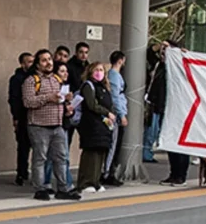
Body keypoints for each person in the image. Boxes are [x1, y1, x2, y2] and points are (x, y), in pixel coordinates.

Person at [24, 49, 73, 200]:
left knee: (61, 157)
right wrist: (47, 98)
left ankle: (63, 188)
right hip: (39, 125)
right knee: (40, 158)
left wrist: (67, 104)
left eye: (50, 59)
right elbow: (28, 101)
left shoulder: (56, 80)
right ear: (38, 64)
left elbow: (59, 100)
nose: (48, 63)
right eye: (44, 60)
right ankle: (40, 188)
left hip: (57, 125)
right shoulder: (31, 81)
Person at [74, 63, 117, 193]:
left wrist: (111, 115)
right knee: (91, 153)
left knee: (100, 152)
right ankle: (86, 182)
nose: (99, 72)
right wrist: (107, 113)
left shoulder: (104, 87)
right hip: (91, 124)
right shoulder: (88, 85)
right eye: (96, 70)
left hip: (104, 125)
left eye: (101, 70)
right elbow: (91, 104)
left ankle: (96, 180)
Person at [8, 51, 36, 184]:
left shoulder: (36, 77)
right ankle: (21, 173)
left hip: (36, 115)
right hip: (23, 116)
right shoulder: (17, 79)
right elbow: (13, 99)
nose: (31, 64)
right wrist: (16, 117)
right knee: (23, 147)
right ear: (22, 63)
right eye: (29, 61)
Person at [103, 49, 130, 186]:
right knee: (114, 145)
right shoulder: (114, 76)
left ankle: (109, 171)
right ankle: (108, 172)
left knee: (116, 145)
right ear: (120, 60)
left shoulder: (115, 75)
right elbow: (116, 97)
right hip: (117, 114)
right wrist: (122, 114)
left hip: (118, 112)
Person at [142, 42, 167, 163]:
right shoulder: (157, 65)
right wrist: (161, 45)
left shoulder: (173, 67)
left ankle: (148, 152)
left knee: (157, 131)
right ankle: (146, 153)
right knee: (151, 130)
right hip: (155, 102)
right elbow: (149, 52)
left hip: (166, 104)